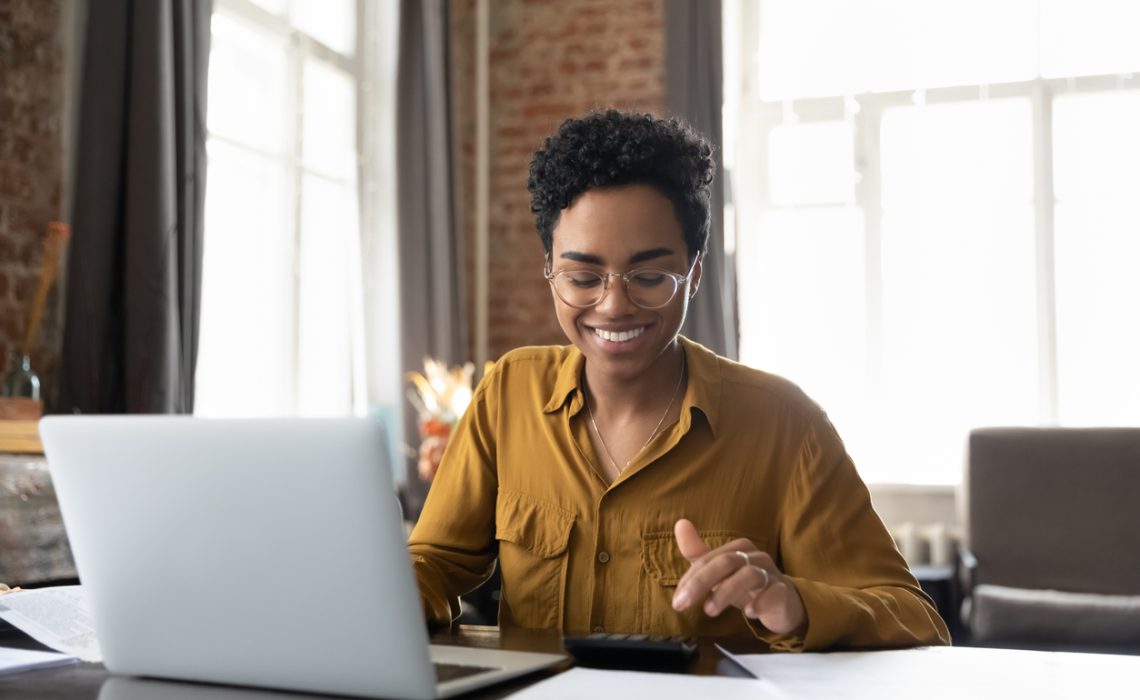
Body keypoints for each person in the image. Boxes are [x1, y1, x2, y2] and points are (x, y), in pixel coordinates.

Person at [408, 110, 950, 650]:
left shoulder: (785, 425)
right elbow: (434, 562)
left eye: (649, 277)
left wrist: (794, 603)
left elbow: (915, 619)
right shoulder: (509, 393)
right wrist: (391, 590)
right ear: (549, 270)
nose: (614, 305)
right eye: (582, 277)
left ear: (694, 274)